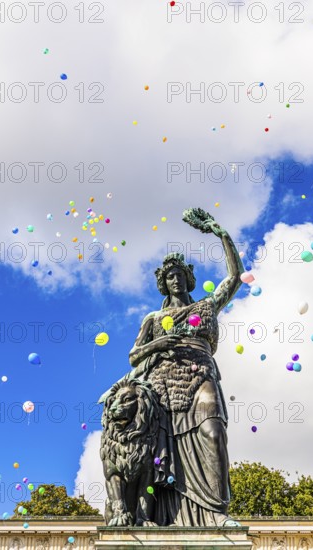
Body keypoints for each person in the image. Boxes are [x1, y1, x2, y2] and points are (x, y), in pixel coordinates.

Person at [128, 208, 244, 527]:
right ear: (163, 283)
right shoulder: (152, 319)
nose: (175, 279)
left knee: (213, 432)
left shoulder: (205, 307)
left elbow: (234, 278)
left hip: (202, 375)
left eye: (179, 274)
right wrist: (158, 345)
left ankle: (216, 514)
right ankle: (154, 515)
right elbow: (134, 355)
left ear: (187, 278)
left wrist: (220, 233)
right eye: (169, 276)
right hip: (163, 384)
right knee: (159, 453)